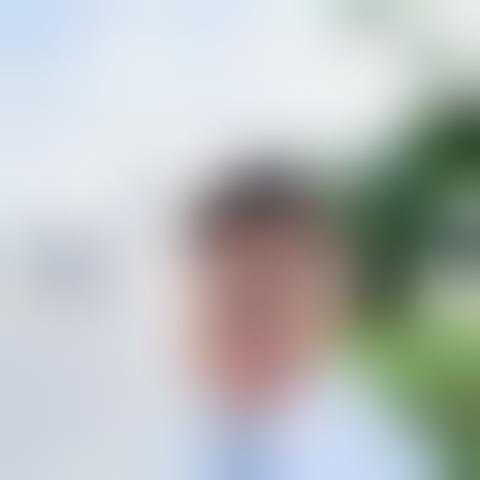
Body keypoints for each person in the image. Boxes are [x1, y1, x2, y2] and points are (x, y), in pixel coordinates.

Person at [168, 154, 436, 480]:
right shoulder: (167, 434)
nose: (254, 328)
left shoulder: (382, 457)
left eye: (277, 301)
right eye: (235, 300)